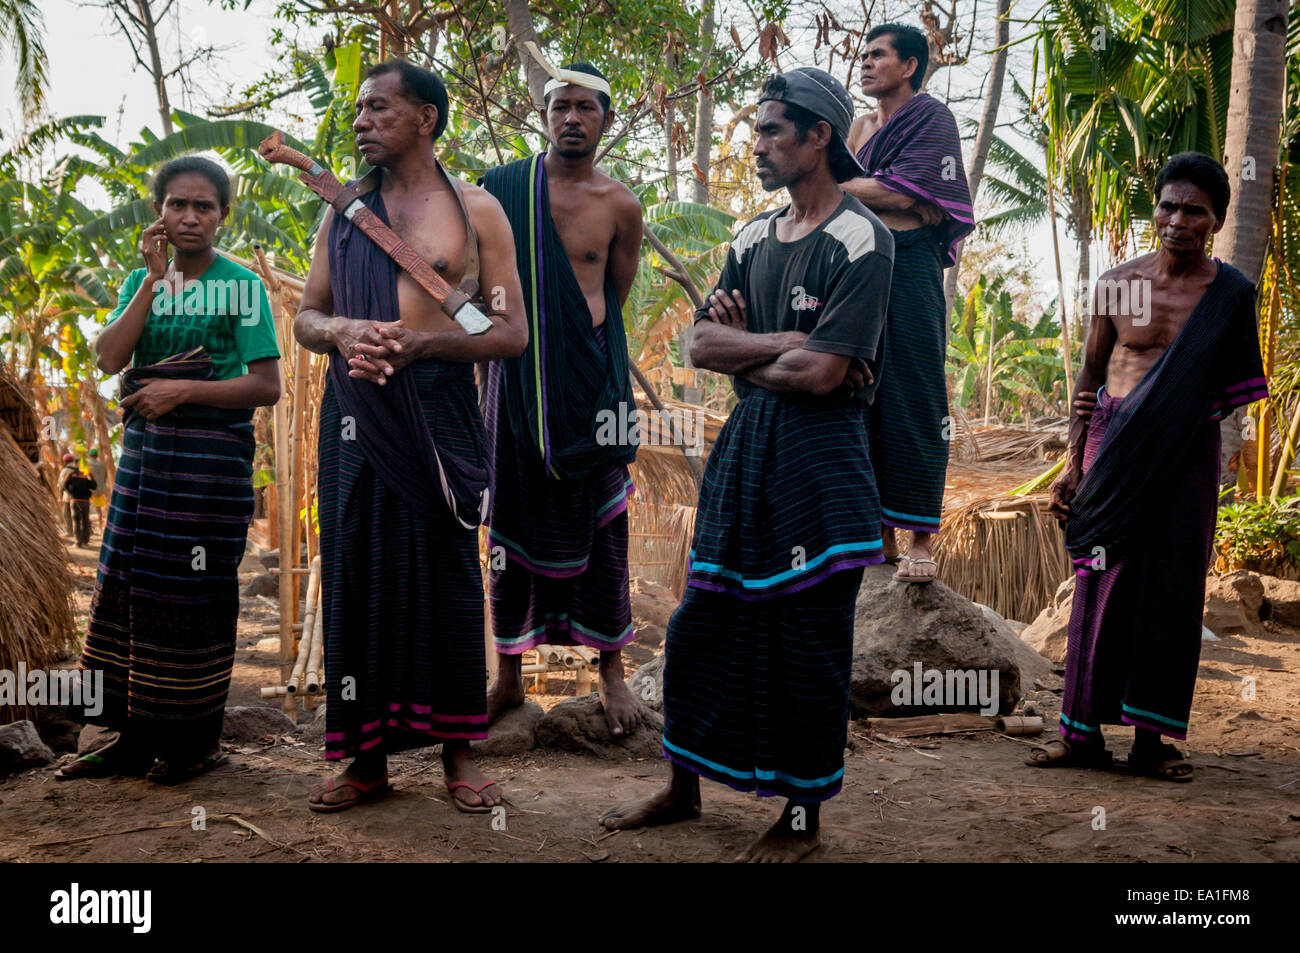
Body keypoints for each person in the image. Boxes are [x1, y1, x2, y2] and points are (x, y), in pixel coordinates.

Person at [600, 69, 893, 861]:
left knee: (807, 641)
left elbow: (824, 377)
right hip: (747, 452)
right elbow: (701, 346)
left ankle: (801, 819)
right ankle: (682, 785)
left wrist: (765, 353)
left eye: (770, 131)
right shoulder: (755, 237)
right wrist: (786, 344)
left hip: (822, 464)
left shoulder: (865, 240)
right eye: (757, 130)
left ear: (818, 136)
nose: (756, 145)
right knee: (704, 627)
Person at [294, 60, 528, 813]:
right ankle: (364, 761)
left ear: (425, 117)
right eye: (359, 109)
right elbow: (307, 317)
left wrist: (423, 346)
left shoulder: (477, 211)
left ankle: (459, 755)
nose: (360, 121)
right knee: (357, 570)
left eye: (378, 108)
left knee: (449, 572)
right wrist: (345, 329)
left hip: (439, 406)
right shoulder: (344, 211)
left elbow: (511, 332)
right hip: (357, 410)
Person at [1030, 153, 1268, 782]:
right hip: (1110, 452)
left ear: (1214, 221)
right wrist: (1074, 464)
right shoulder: (1118, 283)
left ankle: (1151, 742)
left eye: (1194, 210)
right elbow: (1089, 376)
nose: (1178, 220)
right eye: (1168, 205)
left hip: (1187, 456)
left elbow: (1228, 395)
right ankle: (1078, 736)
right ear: (1154, 209)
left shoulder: (1231, 296)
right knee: (1096, 588)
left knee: (1172, 592)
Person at [59, 155, 282, 783]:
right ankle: (130, 740)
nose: (189, 217)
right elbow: (108, 357)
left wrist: (179, 392)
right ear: (159, 212)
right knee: (128, 593)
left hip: (208, 473)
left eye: (203, 206)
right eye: (177, 204)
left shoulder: (241, 286)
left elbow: (266, 386)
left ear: (222, 216)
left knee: (193, 595)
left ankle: (192, 746)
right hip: (146, 467)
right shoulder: (140, 282)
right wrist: (154, 283)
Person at [479, 62, 645, 737]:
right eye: (559, 107)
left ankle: (612, 673)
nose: (571, 118)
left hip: (590, 389)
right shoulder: (501, 190)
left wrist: (573, 354)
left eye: (585, 107)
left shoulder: (620, 204)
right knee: (507, 525)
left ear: (606, 118)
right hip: (513, 383)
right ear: (543, 116)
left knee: (605, 527)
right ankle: (507, 677)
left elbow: (613, 296)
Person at [844, 22, 974, 584]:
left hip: (912, 267)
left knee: (917, 393)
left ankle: (920, 541)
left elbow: (902, 194)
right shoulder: (857, 127)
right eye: (864, 55)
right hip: (856, 268)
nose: (866, 63)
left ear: (911, 65)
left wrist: (861, 188)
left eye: (878, 55)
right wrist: (885, 192)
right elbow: (881, 196)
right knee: (854, 386)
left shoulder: (933, 118)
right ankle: (880, 540)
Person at [63, 455, 96, 547]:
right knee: (85, 520)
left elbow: (64, 486)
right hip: (85, 501)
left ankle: (78, 542)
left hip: (75, 500)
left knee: (76, 521)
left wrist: (71, 494)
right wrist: (91, 476)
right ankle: (85, 541)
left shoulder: (70, 474)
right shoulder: (85, 475)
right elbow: (94, 486)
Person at [86, 447, 109, 532]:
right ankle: (100, 528)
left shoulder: (87, 463)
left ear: (90, 455)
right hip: (99, 489)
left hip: (89, 490)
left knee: (86, 509)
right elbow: (105, 476)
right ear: (96, 455)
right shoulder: (102, 464)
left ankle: (88, 528)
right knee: (99, 510)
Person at [57, 453, 78, 538]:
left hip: (68, 497)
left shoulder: (64, 471)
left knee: (67, 514)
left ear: (64, 462)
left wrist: (60, 497)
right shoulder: (78, 469)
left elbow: (61, 485)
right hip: (79, 496)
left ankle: (69, 532)